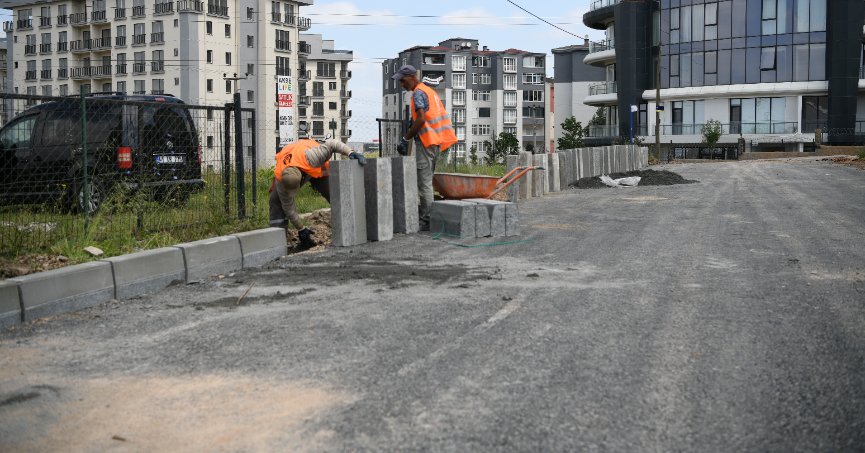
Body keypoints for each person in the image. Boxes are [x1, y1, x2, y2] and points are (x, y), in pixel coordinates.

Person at [392, 65, 458, 231]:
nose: (401, 84)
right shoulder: (429, 91)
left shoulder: (418, 93)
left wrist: (406, 138)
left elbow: (421, 119)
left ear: (412, 77)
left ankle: (427, 220)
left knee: (425, 183)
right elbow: (426, 116)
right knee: (427, 180)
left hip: (427, 141)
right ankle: (428, 218)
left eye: (403, 80)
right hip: (435, 142)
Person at [269, 138, 366, 248]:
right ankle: (277, 242)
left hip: (314, 166)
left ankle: (351, 229)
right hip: (295, 166)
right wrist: (301, 229)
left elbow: (332, 143)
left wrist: (350, 152)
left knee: (335, 195)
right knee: (275, 201)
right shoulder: (281, 181)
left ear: (301, 179)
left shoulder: (312, 156)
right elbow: (288, 207)